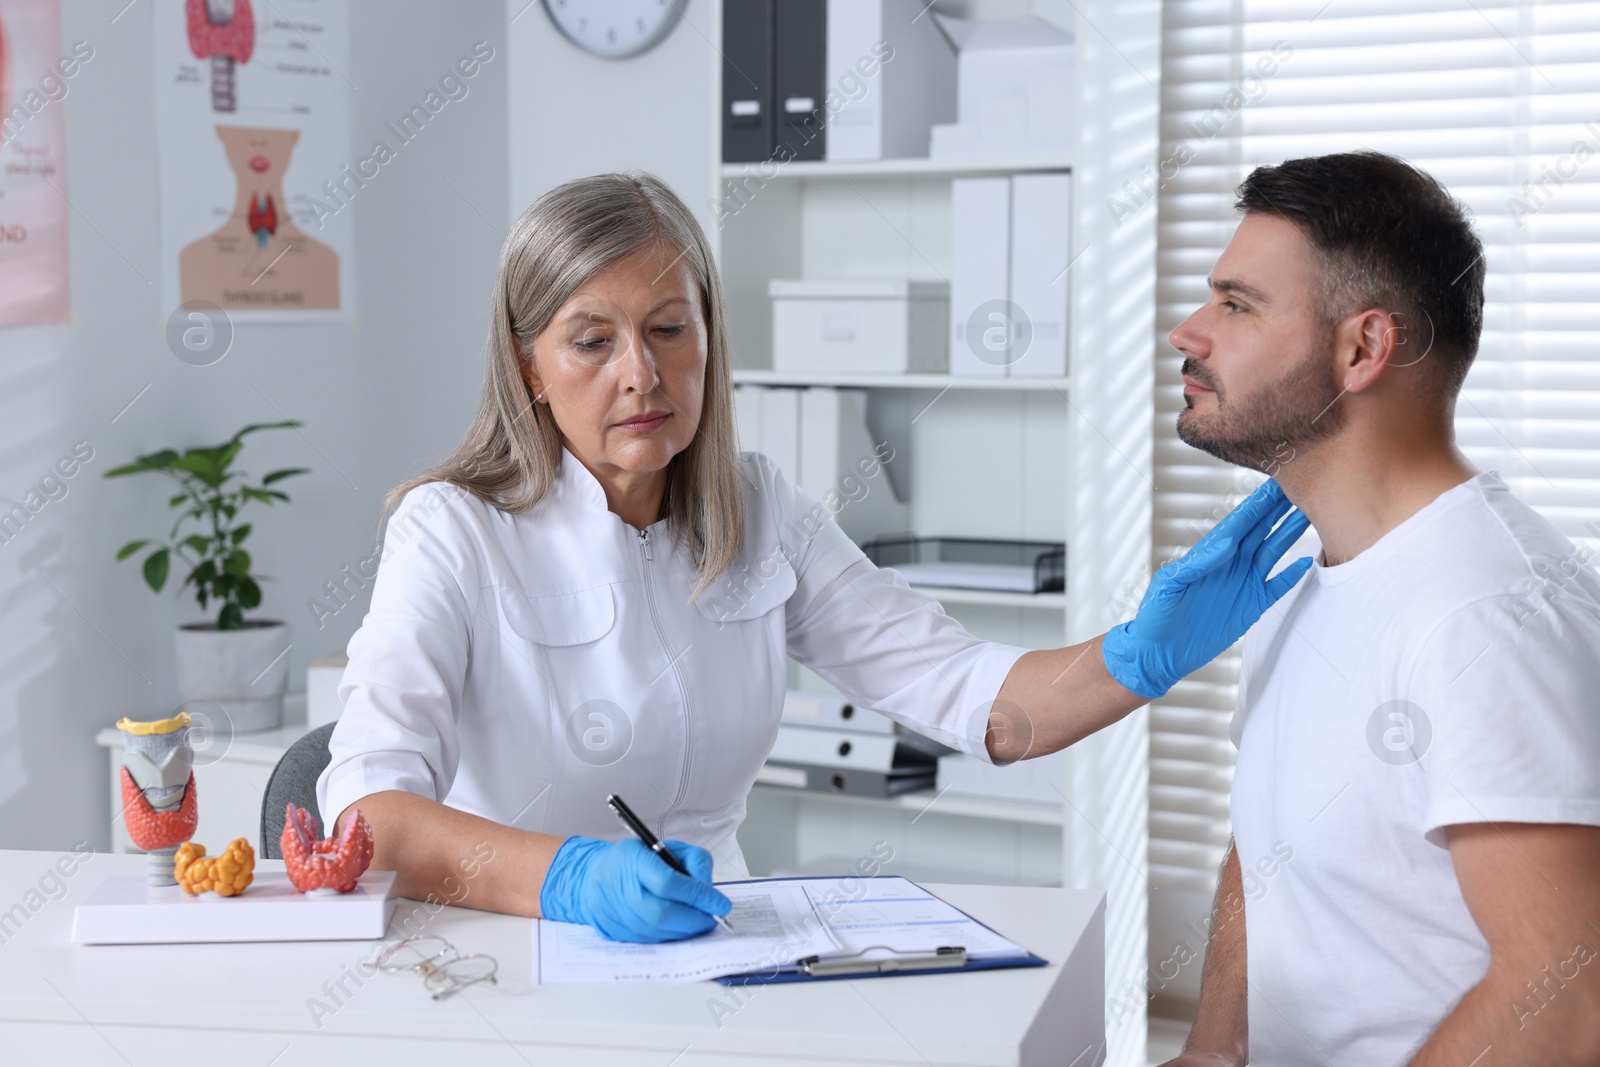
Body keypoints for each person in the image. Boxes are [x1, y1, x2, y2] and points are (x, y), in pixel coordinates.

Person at [316, 170, 1311, 945]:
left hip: (716, 948)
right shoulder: (451, 529)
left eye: (670, 328)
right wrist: (571, 880)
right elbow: (367, 813)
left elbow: (973, 697)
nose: (642, 374)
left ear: (709, 337)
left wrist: (1141, 652)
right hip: (508, 956)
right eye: (590, 341)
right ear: (528, 366)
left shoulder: (757, 508)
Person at [1160, 152, 1600, 1066]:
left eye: (1236, 305)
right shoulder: (1309, 572)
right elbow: (1267, 840)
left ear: (1363, 348)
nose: (1188, 332)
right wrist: (1212, 1049)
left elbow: (1564, 994)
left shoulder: (1489, 616)